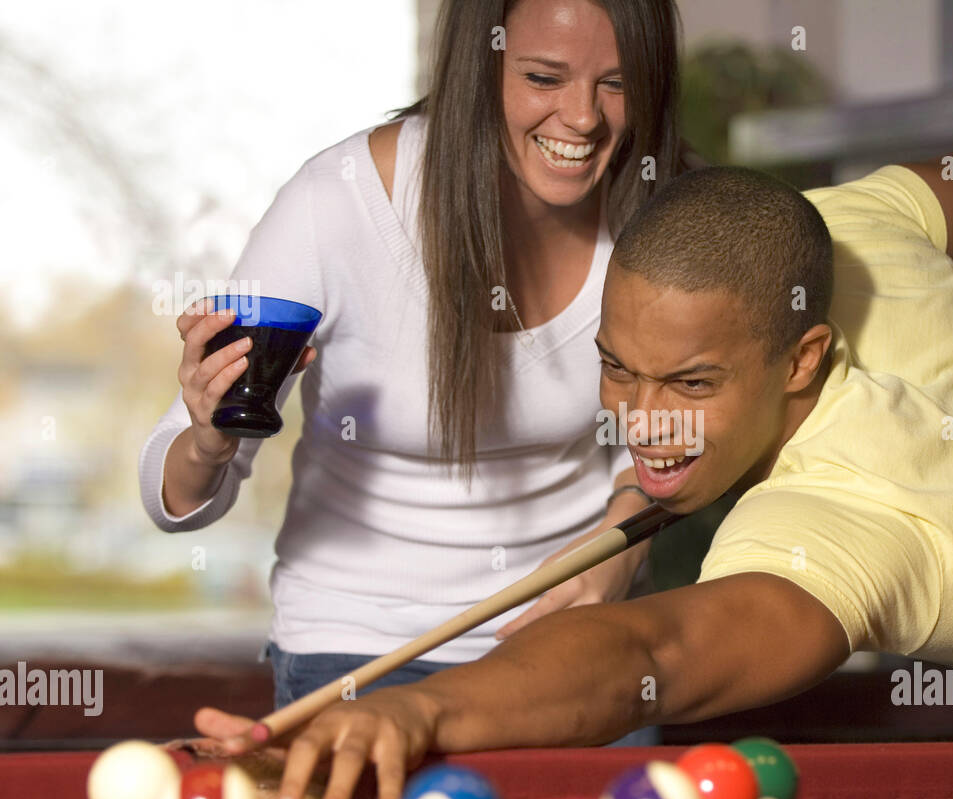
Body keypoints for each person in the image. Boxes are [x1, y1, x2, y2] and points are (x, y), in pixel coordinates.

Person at [203, 146, 953, 799]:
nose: (644, 418)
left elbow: (650, 655)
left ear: (805, 357)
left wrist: (415, 708)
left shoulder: (861, 524)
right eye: (617, 367)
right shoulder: (845, 236)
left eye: (690, 382)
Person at [137, 0, 687, 744]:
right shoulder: (338, 203)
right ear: (478, 65)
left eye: (617, 84)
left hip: (567, 643)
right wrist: (206, 439)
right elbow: (181, 500)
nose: (583, 118)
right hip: (357, 650)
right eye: (543, 76)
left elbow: (675, 438)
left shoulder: (665, 207)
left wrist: (621, 551)